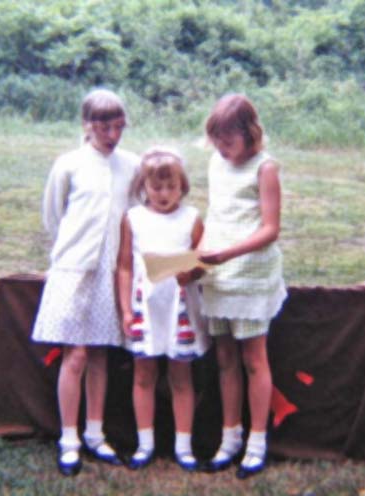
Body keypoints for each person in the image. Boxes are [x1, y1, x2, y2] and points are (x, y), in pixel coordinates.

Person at [31, 88, 139, 476]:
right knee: (74, 354)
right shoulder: (69, 164)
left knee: (99, 354)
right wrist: (75, 251)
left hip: (112, 270)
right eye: (105, 126)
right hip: (74, 268)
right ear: (87, 125)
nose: (112, 134)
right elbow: (54, 215)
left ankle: (96, 434)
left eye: (119, 126)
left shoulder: (132, 165)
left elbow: (138, 216)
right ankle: (69, 439)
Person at [198, 94, 287, 479]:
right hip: (217, 274)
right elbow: (216, 213)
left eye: (229, 141)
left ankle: (257, 442)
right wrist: (198, 253)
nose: (222, 147)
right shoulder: (215, 163)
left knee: (253, 359)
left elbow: (270, 229)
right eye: (217, 140)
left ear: (249, 134)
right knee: (224, 360)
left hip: (250, 274)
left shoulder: (265, 168)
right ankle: (229, 438)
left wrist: (228, 253)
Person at [116, 147, 209, 472]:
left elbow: (203, 261)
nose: (165, 194)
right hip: (146, 308)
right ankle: (145, 445)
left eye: (172, 187)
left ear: (182, 186)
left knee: (180, 376)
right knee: (144, 375)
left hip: (179, 310)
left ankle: (184, 447)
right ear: (144, 187)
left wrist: (192, 268)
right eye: (157, 188)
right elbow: (125, 266)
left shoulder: (192, 218)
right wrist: (126, 310)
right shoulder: (133, 218)